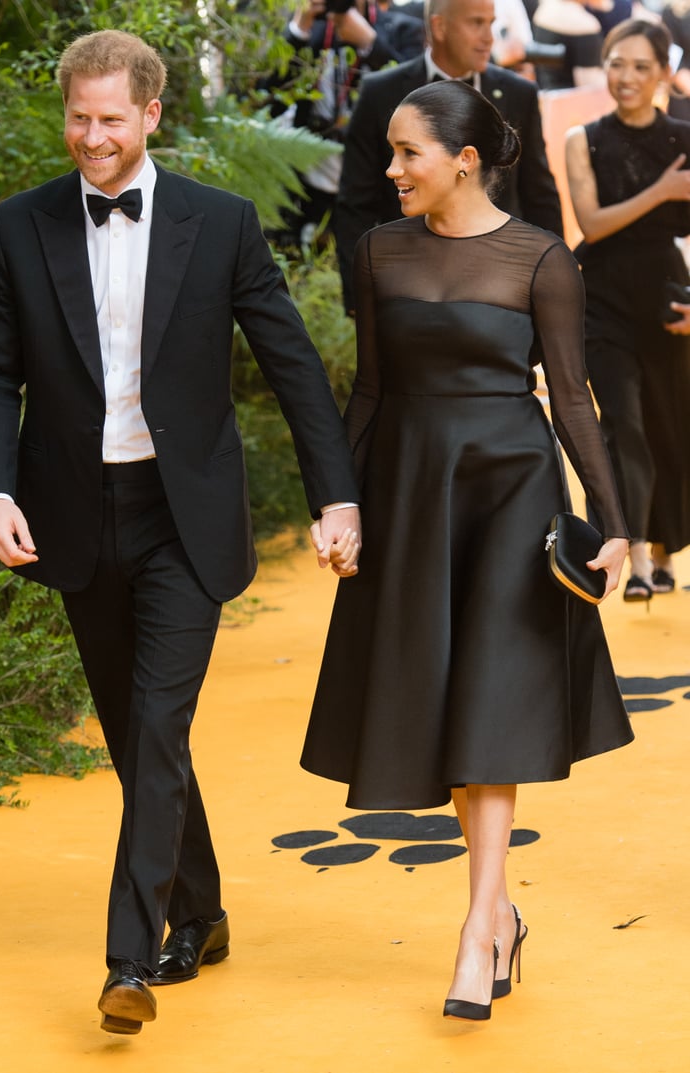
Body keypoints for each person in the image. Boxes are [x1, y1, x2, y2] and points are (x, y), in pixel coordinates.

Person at [0, 29, 361, 1036]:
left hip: (186, 513)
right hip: (73, 512)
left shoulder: (219, 224)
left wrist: (336, 495)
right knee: (141, 736)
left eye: (108, 119)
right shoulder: (19, 226)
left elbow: (294, 365)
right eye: (77, 118)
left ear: (150, 114)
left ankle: (129, 957)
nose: (90, 138)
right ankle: (206, 911)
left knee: (160, 722)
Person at [302, 79, 634, 1021]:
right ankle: (499, 912)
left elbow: (572, 400)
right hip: (412, 494)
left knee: (492, 700)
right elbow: (368, 393)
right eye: (391, 152)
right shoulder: (377, 250)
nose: (391, 168)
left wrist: (613, 523)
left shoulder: (541, 260)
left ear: (465, 159)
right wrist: (343, 502)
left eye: (408, 153)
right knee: (451, 703)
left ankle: (478, 925)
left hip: (511, 496)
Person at [331, 0, 564, 314]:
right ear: (440, 27)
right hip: (408, 290)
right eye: (476, 23)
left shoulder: (518, 93)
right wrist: (361, 297)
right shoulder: (380, 93)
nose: (489, 37)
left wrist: (557, 275)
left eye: (491, 23)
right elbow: (354, 205)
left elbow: (540, 195)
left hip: (502, 289)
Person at [565, 18, 690, 600]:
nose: (627, 77)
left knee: (669, 427)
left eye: (643, 66)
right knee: (623, 426)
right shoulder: (581, 138)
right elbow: (592, 224)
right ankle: (634, 555)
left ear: (665, 73)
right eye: (617, 63)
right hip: (603, 299)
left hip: (670, 296)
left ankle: (665, 552)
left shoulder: (684, 138)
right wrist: (662, 192)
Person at [265, 0, 423, 247]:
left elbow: (420, 100)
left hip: (378, 179)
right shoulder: (309, 31)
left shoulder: (402, 29)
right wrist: (299, 28)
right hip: (312, 176)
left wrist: (371, 44)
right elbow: (268, 99)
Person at [531, 0, 606, 91]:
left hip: (544, 93)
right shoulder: (584, 24)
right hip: (571, 99)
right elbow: (589, 82)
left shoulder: (544, 10)